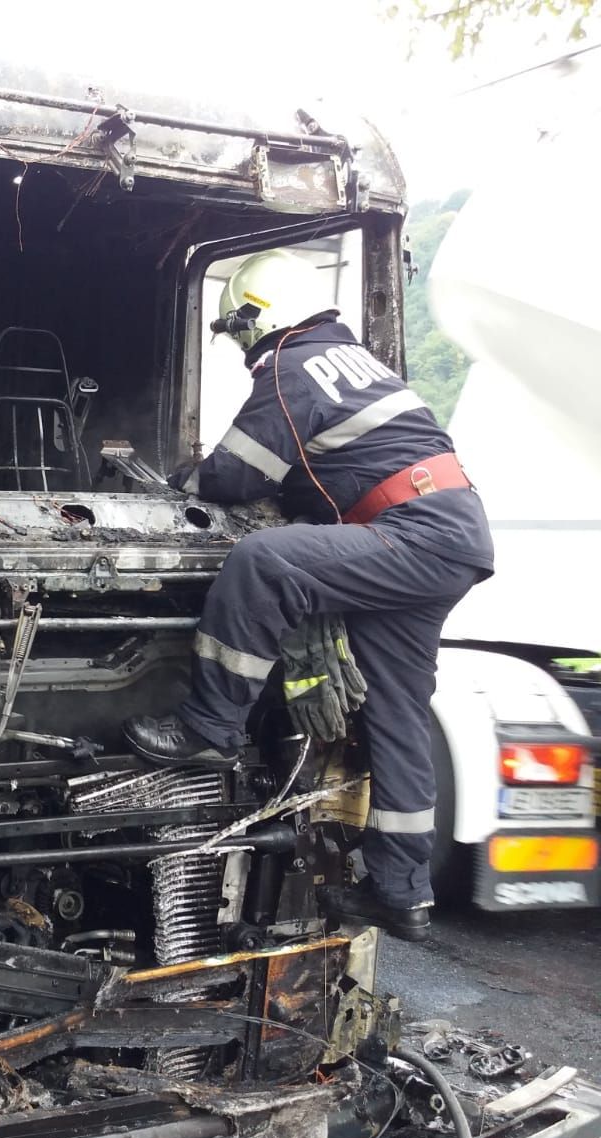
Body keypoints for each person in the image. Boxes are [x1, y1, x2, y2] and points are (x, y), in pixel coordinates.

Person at [123, 248, 494, 941]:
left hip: (414, 534)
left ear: (260, 317)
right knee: (397, 714)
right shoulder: (355, 362)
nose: (243, 347)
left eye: (241, 330)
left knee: (265, 562)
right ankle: (401, 892)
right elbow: (328, 474)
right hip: (451, 535)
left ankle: (208, 728)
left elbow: (234, 477)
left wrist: (183, 483)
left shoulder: (295, 365)